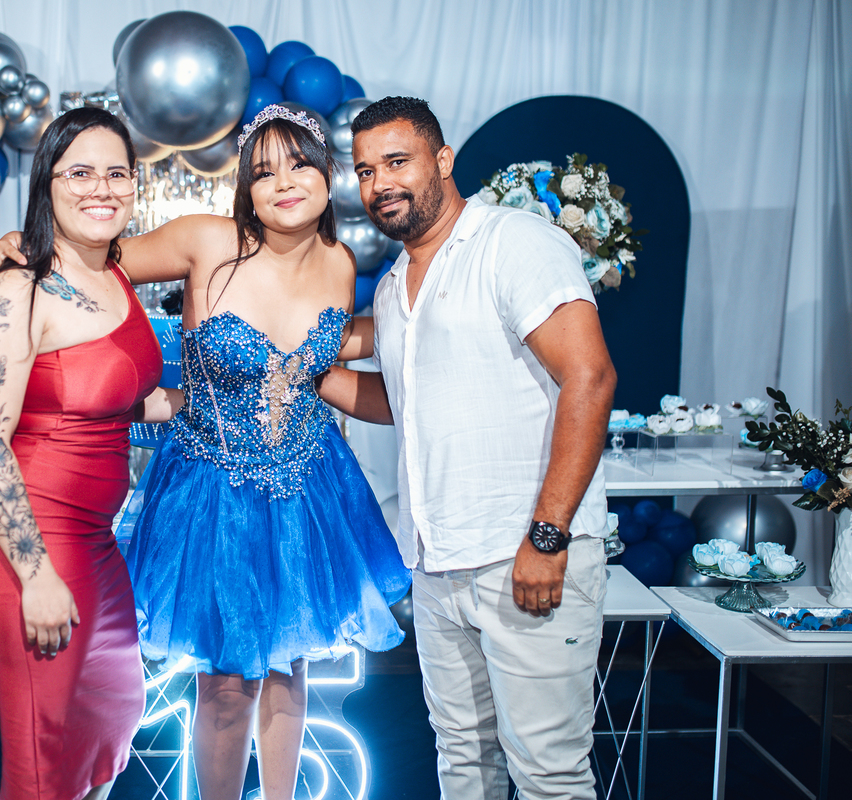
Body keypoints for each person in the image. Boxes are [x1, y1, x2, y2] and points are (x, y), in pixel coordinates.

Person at [0, 104, 410, 800]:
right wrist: (25, 249)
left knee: (289, 671)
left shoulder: (339, 261)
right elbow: (93, 260)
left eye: (299, 164)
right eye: (264, 172)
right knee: (225, 688)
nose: (284, 182)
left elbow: (322, 362)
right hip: (213, 489)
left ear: (327, 174)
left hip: (309, 486)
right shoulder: (206, 240)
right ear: (246, 188)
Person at [318, 96, 617, 800]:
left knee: (547, 772)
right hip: (437, 563)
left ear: (443, 159)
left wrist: (547, 536)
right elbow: (406, 401)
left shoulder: (513, 242)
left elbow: (590, 376)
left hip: (523, 552)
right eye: (366, 171)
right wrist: (308, 374)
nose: (380, 183)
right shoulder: (394, 285)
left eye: (398, 161)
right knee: (462, 760)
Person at [0, 106, 181, 800]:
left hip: (92, 540)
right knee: (43, 749)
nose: (100, 188)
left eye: (116, 173)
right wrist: (35, 575)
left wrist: (213, 399)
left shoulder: (115, 275)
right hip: (22, 540)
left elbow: (120, 399)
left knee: (112, 711)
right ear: (47, 181)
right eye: (79, 172)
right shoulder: (17, 288)